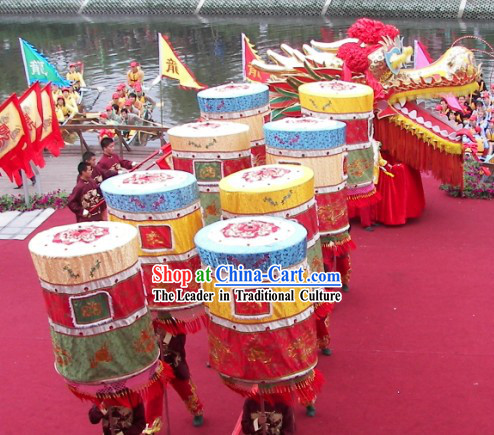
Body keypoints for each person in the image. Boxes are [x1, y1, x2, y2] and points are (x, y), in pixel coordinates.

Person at [158, 329, 204, 427]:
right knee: (153, 397)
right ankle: (151, 424)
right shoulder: (148, 321)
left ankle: (197, 410)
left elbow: (179, 345)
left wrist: (165, 335)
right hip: (156, 364)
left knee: (185, 389)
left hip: (174, 364)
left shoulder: (176, 320)